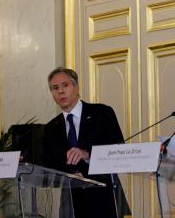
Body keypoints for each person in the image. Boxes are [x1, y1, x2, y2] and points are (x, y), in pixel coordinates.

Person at [43, 67, 129, 218]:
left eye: (65, 85)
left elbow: (118, 150)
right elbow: (49, 163)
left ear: (76, 87)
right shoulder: (51, 128)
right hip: (71, 201)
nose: (60, 91)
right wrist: (69, 174)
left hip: (104, 197)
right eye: (55, 88)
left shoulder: (102, 113)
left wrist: (87, 155)